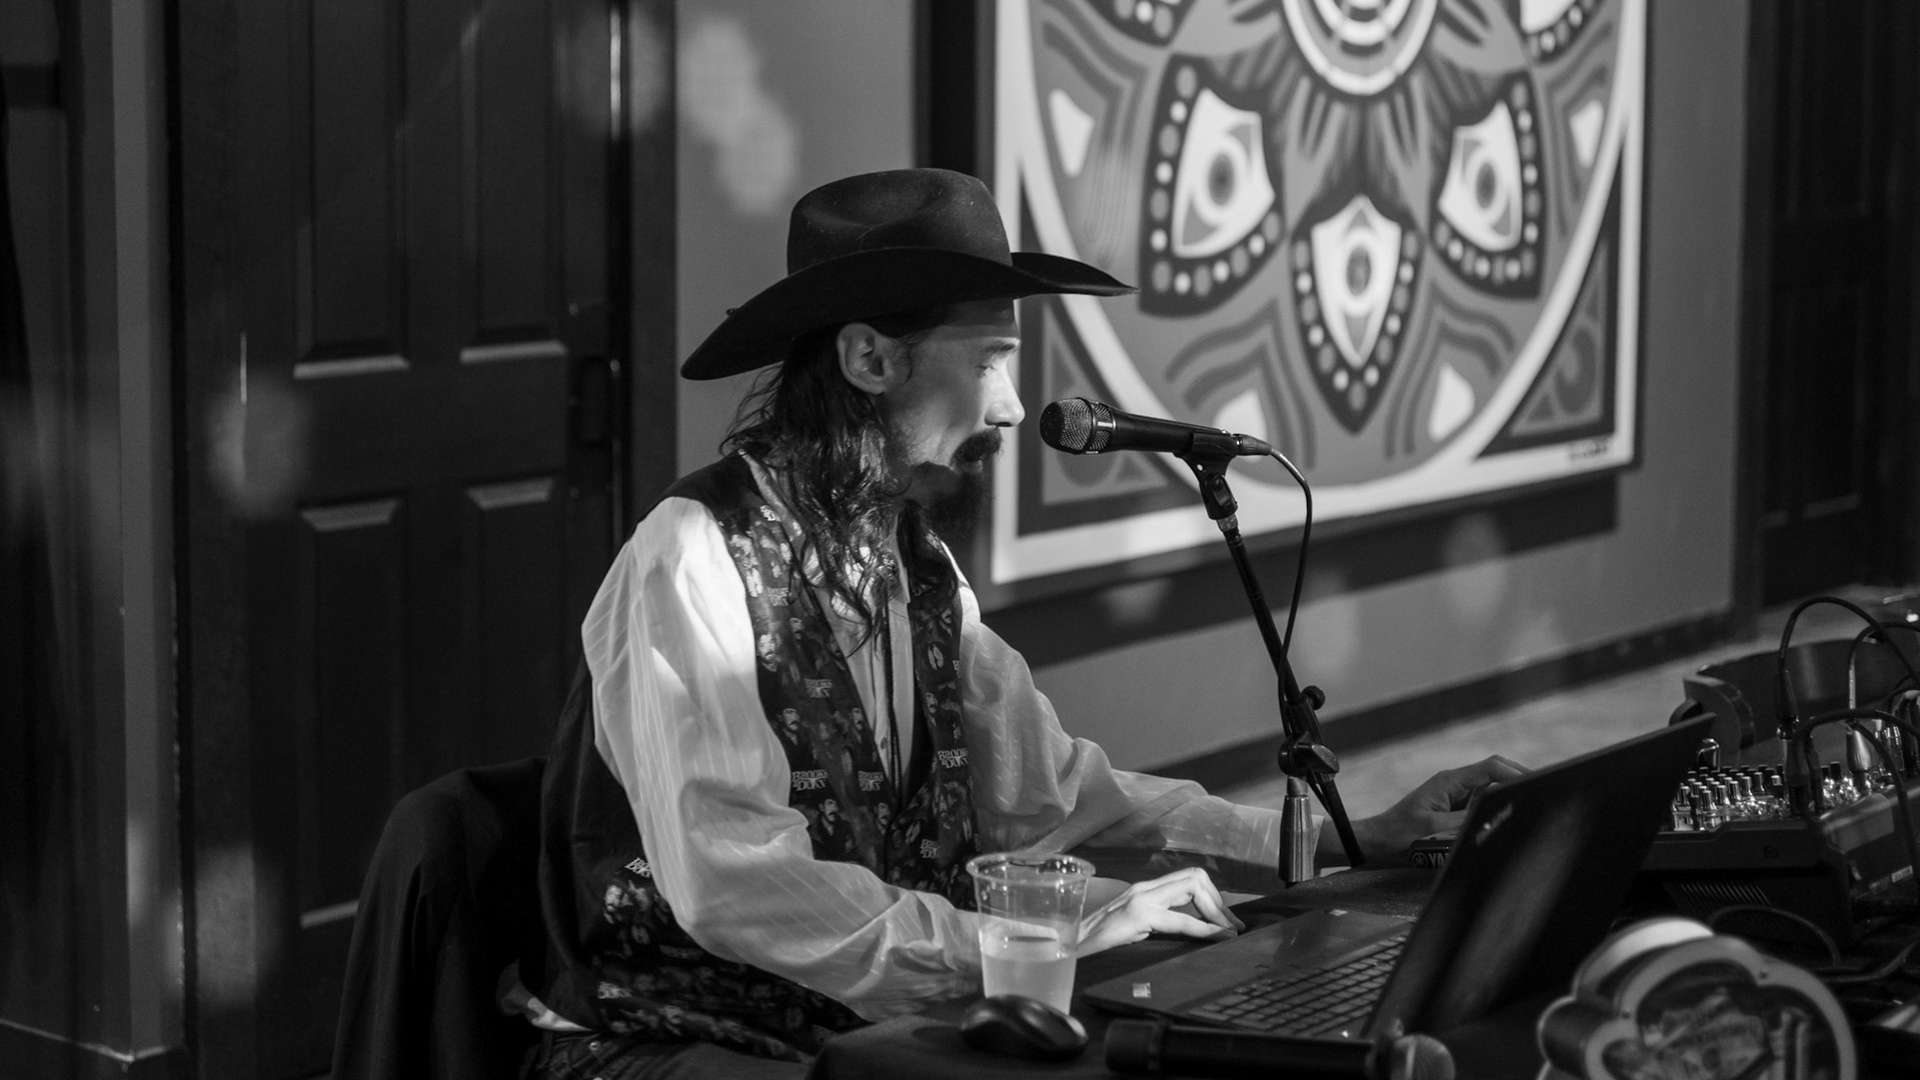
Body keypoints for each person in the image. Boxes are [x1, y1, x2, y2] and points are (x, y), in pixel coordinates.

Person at [524, 169, 1522, 1078]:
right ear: (868, 358)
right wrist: (1031, 944)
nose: (1011, 407)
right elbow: (739, 887)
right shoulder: (691, 560)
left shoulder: (913, 565)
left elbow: (1058, 800)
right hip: (669, 1040)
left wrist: (1350, 841)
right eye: (991, 361)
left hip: (850, 1035)